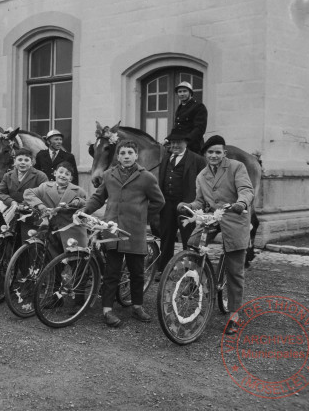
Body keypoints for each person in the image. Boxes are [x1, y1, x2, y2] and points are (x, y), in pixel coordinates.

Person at [177, 135, 254, 335]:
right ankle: (193, 278)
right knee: (193, 242)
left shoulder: (236, 167)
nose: (214, 155)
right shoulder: (202, 175)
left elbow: (246, 189)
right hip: (212, 217)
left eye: (218, 152)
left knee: (235, 269)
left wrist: (242, 203)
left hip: (235, 216)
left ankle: (234, 315)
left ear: (224, 153)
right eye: (210, 152)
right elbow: (200, 202)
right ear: (205, 154)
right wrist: (189, 206)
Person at [83, 140, 164, 328]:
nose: (126, 156)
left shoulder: (146, 177)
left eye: (130, 153)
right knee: (111, 272)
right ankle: (107, 310)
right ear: (117, 157)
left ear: (136, 155)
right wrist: (85, 211)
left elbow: (159, 202)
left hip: (134, 232)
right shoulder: (108, 175)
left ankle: (137, 306)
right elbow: (98, 197)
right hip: (112, 231)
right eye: (123, 153)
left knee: (137, 272)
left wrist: (142, 217)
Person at [156, 131, 206, 280]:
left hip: (187, 205)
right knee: (166, 237)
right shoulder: (166, 158)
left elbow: (203, 183)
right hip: (167, 205)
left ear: (186, 142)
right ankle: (164, 269)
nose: (175, 145)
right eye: (172, 142)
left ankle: (191, 272)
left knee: (189, 240)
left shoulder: (196, 159)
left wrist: (197, 203)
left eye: (179, 142)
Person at [24, 161, 87, 254]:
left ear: (71, 178)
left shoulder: (78, 191)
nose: (63, 175)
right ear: (55, 173)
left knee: (73, 256)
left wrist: (78, 202)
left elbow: (86, 204)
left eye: (67, 174)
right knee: (50, 256)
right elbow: (28, 193)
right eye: (60, 172)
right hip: (50, 228)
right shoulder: (45, 187)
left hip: (70, 229)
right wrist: (40, 205)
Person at [0, 148, 48, 244]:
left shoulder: (40, 176)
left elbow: (45, 194)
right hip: (12, 215)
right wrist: (11, 201)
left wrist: (27, 204)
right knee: (10, 243)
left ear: (32, 162)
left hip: (31, 216)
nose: (23, 163)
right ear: (14, 162)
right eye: (20, 160)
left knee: (28, 244)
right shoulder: (8, 176)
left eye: (26, 160)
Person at [171, 82, 207, 154]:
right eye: (179, 92)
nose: (182, 94)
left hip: (193, 145)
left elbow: (199, 129)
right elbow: (177, 128)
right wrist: (168, 139)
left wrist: (186, 141)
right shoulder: (180, 107)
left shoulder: (198, 106)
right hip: (179, 144)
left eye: (185, 91)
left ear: (190, 92)